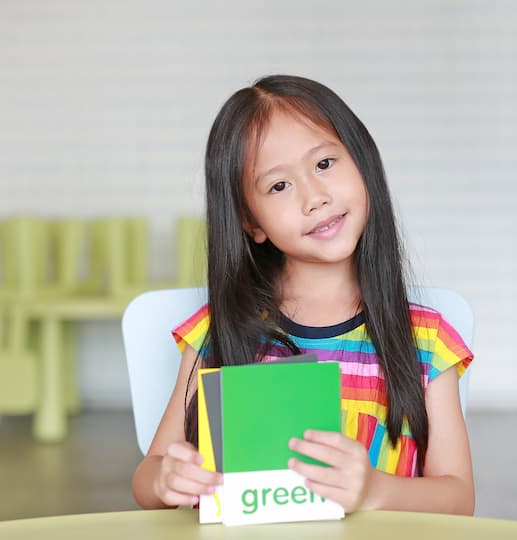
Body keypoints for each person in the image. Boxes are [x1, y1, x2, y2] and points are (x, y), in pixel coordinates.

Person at [132, 74, 475, 515]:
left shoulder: (426, 339)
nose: (314, 197)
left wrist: (374, 491)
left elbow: (459, 499)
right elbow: (147, 479)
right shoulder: (218, 330)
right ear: (250, 222)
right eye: (279, 186)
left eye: (325, 164)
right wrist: (165, 479)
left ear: (364, 164)